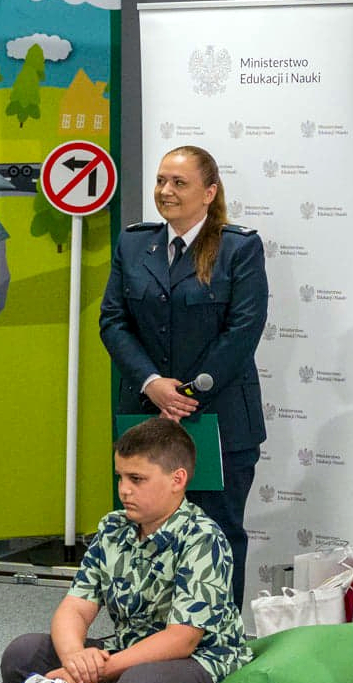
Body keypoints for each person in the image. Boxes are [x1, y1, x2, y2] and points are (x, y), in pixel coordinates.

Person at [0, 418, 251, 683]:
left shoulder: (202, 538)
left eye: (137, 479)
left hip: (200, 659)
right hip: (129, 651)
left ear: (177, 480)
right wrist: (75, 661)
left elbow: (181, 640)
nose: (124, 490)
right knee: (23, 654)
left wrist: (95, 672)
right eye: (120, 477)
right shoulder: (114, 529)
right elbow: (74, 608)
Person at [98, 145, 266, 589]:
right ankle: (147, 628)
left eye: (178, 183)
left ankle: (217, 630)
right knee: (144, 532)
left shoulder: (239, 248)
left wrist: (184, 397)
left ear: (209, 192)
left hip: (217, 420)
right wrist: (152, 383)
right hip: (145, 414)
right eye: (160, 181)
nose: (165, 191)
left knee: (217, 535)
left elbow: (243, 331)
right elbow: (113, 321)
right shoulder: (134, 243)